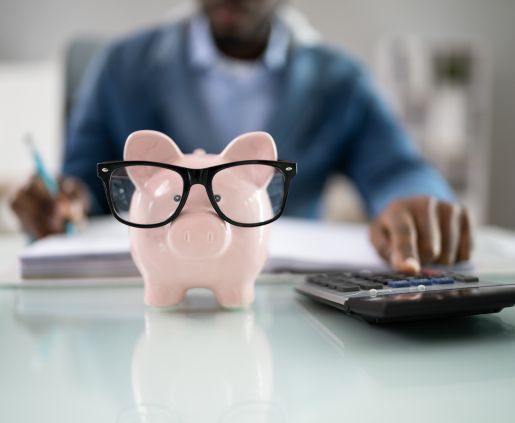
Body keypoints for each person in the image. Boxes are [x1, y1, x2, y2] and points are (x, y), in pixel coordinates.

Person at [10, 0, 471, 273]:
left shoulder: (340, 81)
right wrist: (60, 201)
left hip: (281, 305)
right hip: (144, 295)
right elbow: (80, 183)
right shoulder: (120, 67)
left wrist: (414, 203)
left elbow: (397, 170)